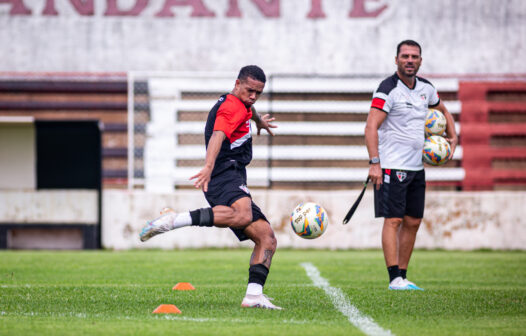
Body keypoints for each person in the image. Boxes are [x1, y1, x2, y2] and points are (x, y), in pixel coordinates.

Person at [139, 65, 281, 309]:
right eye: (250, 91)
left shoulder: (241, 102)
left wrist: (258, 120)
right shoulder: (231, 107)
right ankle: (176, 220)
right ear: (237, 83)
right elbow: (218, 135)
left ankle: (254, 296)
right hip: (223, 173)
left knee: (267, 238)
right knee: (243, 214)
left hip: (232, 174)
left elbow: (249, 107)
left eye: (258, 93)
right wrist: (208, 166)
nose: (254, 97)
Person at [364, 40, 458, 290]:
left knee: (413, 221)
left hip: (417, 167)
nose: (409, 60)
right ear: (396, 60)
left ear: (420, 61)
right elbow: (371, 126)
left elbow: (444, 110)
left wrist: (453, 136)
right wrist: (375, 163)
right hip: (392, 167)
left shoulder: (426, 88)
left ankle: (403, 276)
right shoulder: (388, 88)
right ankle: (393, 277)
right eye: (405, 56)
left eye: (414, 56)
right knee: (393, 220)